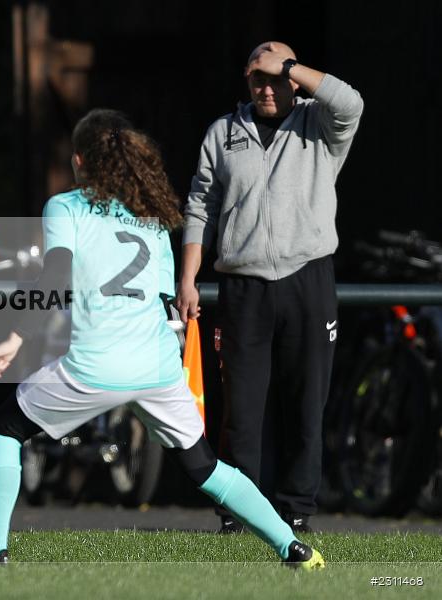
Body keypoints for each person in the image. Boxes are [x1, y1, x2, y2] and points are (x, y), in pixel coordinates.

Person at [0, 108, 324, 570]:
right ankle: (292, 547)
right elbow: (167, 300)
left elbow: (55, 276)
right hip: (156, 367)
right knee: (205, 467)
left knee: (4, 429)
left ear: (80, 161)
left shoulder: (65, 206)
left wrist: (16, 336)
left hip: (94, 365)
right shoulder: (150, 218)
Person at [176, 42, 364, 533]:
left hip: (308, 278)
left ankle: (297, 510)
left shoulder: (319, 123)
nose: (266, 87)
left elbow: (352, 102)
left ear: (293, 79)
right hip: (244, 286)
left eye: (276, 77)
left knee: (306, 403)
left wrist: (290, 67)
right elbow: (200, 206)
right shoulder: (222, 132)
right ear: (246, 79)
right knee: (240, 410)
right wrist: (188, 278)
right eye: (257, 78)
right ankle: (238, 513)